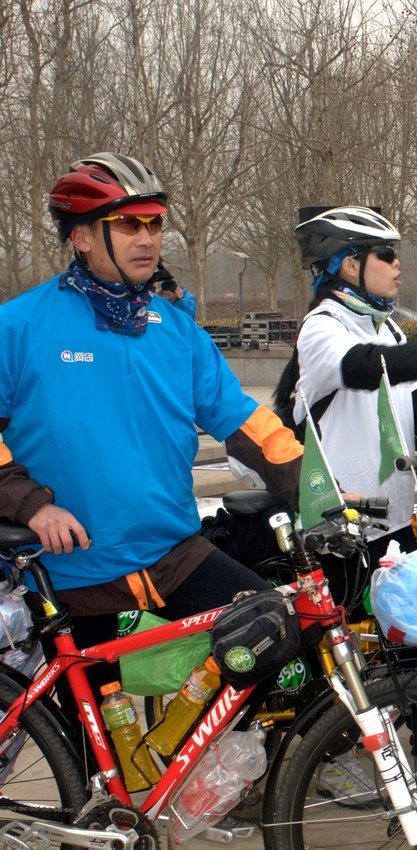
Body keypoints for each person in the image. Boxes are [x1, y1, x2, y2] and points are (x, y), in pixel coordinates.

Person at [0, 152, 300, 715]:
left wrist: (315, 489)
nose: (147, 238)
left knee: (271, 630)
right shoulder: (19, 326)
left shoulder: (176, 331)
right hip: (77, 574)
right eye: (128, 225)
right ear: (83, 238)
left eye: (154, 223)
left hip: (174, 553)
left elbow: (245, 424)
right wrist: (34, 506)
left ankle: (208, 770)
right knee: (97, 760)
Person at [275, 206, 417, 611]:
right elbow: (367, 367)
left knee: (415, 646)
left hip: (393, 517)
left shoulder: (387, 326)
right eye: (386, 255)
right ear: (349, 264)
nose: (398, 265)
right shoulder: (323, 327)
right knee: (354, 658)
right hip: (339, 526)